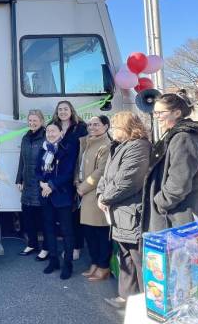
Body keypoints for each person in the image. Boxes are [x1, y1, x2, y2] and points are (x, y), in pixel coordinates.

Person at [96, 112, 151, 309]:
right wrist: (101, 195)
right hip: (119, 212)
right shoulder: (119, 146)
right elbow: (106, 177)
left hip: (131, 212)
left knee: (138, 260)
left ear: (128, 127)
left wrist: (106, 197)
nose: (112, 131)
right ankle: (126, 297)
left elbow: (128, 181)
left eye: (115, 127)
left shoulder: (139, 147)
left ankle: (147, 304)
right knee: (125, 257)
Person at [143, 91, 198, 232]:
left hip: (182, 219)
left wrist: (160, 202)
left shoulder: (183, 138)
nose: (157, 117)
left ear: (177, 113)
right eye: (155, 113)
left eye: (160, 113)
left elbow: (179, 184)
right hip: (176, 215)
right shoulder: (174, 136)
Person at [37, 121, 80, 280]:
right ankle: (53, 260)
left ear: (61, 133)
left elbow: (68, 172)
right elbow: (38, 170)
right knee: (49, 230)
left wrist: (51, 185)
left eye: (54, 131)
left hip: (62, 196)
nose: (50, 134)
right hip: (46, 196)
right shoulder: (44, 149)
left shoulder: (66, 149)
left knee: (67, 232)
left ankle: (67, 264)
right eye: (48, 131)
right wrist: (41, 182)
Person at [75, 116, 112, 281]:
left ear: (105, 126)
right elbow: (80, 165)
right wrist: (76, 181)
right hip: (84, 193)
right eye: (90, 125)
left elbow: (101, 171)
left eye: (96, 124)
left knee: (101, 233)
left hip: (95, 193)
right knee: (89, 233)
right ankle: (94, 263)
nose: (92, 127)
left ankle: (103, 267)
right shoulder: (87, 142)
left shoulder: (106, 145)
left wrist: (82, 188)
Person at [52, 100, 87, 260]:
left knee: (75, 214)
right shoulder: (53, 126)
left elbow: (85, 151)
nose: (63, 112)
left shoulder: (80, 127)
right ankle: (67, 246)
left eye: (66, 109)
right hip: (58, 177)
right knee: (63, 216)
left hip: (75, 175)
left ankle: (76, 247)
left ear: (71, 111)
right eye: (60, 109)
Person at [15, 110, 47, 258]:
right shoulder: (25, 138)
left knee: (43, 218)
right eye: (30, 121)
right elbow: (22, 160)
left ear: (41, 121)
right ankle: (31, 244)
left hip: (41, 183)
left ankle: (46, 247)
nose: (32, 123)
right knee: (27, 217)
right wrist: (19, 179)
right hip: (27, 183)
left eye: (35, 120)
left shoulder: (46, 136)